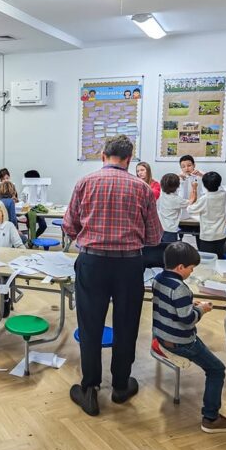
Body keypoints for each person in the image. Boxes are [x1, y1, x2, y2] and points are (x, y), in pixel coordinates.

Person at [63, 135, 162, 416]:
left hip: (92, 262)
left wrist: (90, 237)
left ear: (103, 156)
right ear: (129, 160)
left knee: (90, 325)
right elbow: (154, 236)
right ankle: (120, 385)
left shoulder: (85, 183)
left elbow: (69, 225)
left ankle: (90, 388)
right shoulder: (142, 188)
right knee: (126, 324)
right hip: (129, 265)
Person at [152, 242, 226, 433]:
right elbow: (188, 320)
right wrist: (201, 309)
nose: (192, 272)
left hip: (162, 335)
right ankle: (211, 418)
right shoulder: (180, 288)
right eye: (191, 268)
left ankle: (211, 416)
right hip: (181, 341)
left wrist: (189, 303)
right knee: (217, 370)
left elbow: (171, 305)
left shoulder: (158, 279)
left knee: (209, 360)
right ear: (180, 267)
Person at [187, 172, 226, 258]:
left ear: (204, 185)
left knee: (208, 260)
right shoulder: (223, 193)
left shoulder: (205, 199)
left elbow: (190, 209)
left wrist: (194, 191)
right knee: (219, 258)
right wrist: (202, 175)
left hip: (208, 236)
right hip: (221, 234)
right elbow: (220, 186)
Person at [158, 173, 197, 243]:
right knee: (170, 248)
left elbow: (167, 181)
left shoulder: (162, 193)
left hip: (160, 228)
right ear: (177, 186)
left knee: (161, 248)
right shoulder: (176, 200)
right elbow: (192, 200)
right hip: (170, 230)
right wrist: (194, 188)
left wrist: (179, 176)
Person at [23, 170, 47, 237]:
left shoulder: (41, 188)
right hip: (29, 211)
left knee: (43, 226)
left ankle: (34, 238)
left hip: (39, 211)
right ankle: (32, 238)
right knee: (30, 224)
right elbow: (23, 200)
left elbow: (42, 201)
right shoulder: (26, 189)